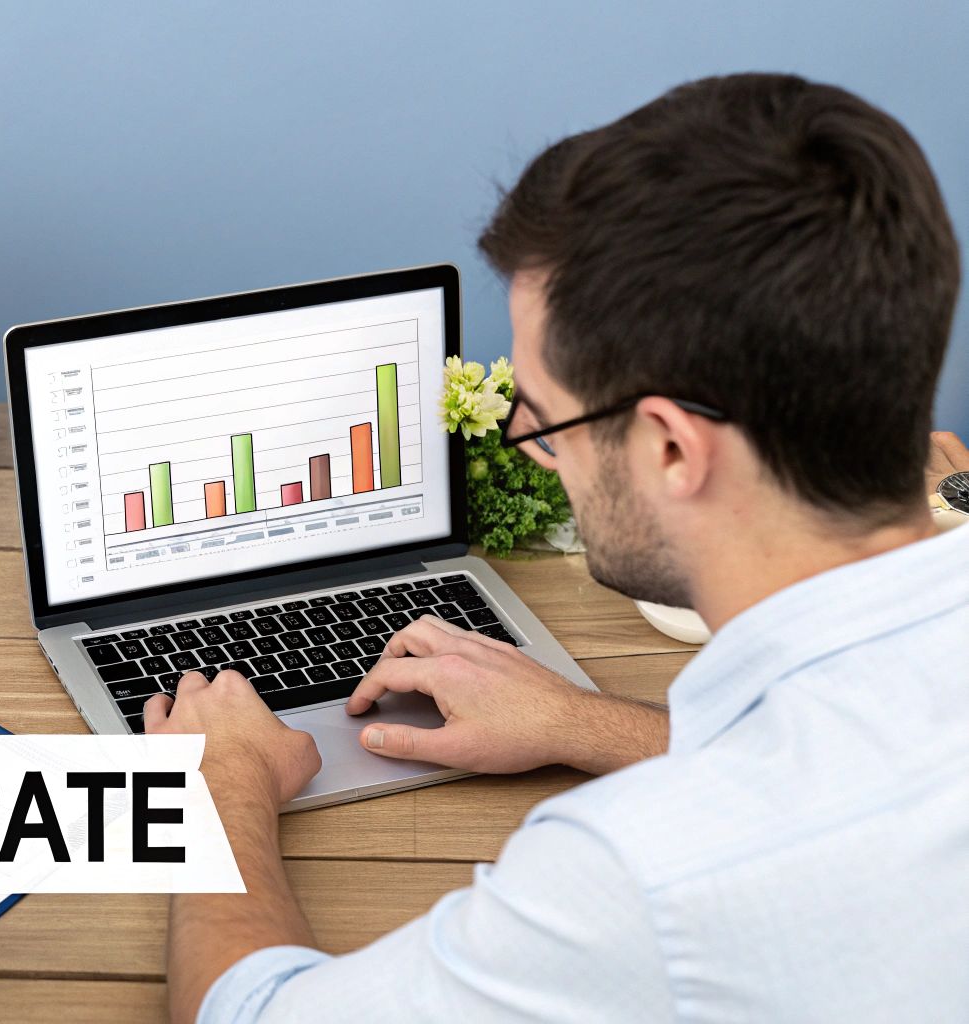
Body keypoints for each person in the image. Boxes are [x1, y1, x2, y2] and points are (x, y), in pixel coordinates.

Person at [153, 73, 968, 1021]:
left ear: (669, 447)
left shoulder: (634, 877)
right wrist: (585, 725)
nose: (531, 449)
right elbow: (857, 767)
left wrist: (220, 791)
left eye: (543, 416)